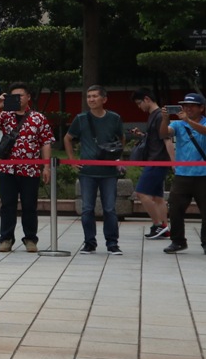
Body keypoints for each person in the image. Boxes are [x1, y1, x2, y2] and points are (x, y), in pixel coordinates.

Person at [0, 84, 53, 252]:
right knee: (7, 205)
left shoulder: (38, 118)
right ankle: (6, 239)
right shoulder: (4, 116)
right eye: (14, 96)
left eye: (21, 95)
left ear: (28, 97)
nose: (18, 99)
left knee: (30, 205)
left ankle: (31, 239)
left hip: (30, 169)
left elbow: (45, 142)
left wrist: (46, 167)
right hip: (7, 169)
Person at [64, 84, 124, 255]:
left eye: (95, 96)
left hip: (109, 172)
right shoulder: (81, 119)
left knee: (110, 209)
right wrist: (72, 160)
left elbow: (121, 138)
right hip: (87, 172)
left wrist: (118, 156)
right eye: (89, 96)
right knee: (87, 208)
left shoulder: (114, 118)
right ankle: (89, 242)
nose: (91, 99)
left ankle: (112, 243)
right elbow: (67, 138)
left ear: (104, 99)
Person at [159, 93, 206, 255]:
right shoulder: (178, 124)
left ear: (201, 108)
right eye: (185, 105)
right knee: (175, 209)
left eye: (192, 106)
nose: (188, 108)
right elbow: (163, 133)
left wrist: (189, 121)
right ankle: (178, 241)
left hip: (203, 175)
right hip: (183, 174)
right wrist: (165, 119)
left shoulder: (201, 123)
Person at [130, 89, 172, 239]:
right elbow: (156, 137)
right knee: (158, 197)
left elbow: (167, 139)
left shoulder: (160, 116)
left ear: (147, 99)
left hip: (157, 161)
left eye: (139, 103)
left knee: (141, 193)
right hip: (157, 160)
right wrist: (142, 136)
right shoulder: (154, 116)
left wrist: (174, 162)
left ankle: (158, 224)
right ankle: (164, 228)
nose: (139, 107)